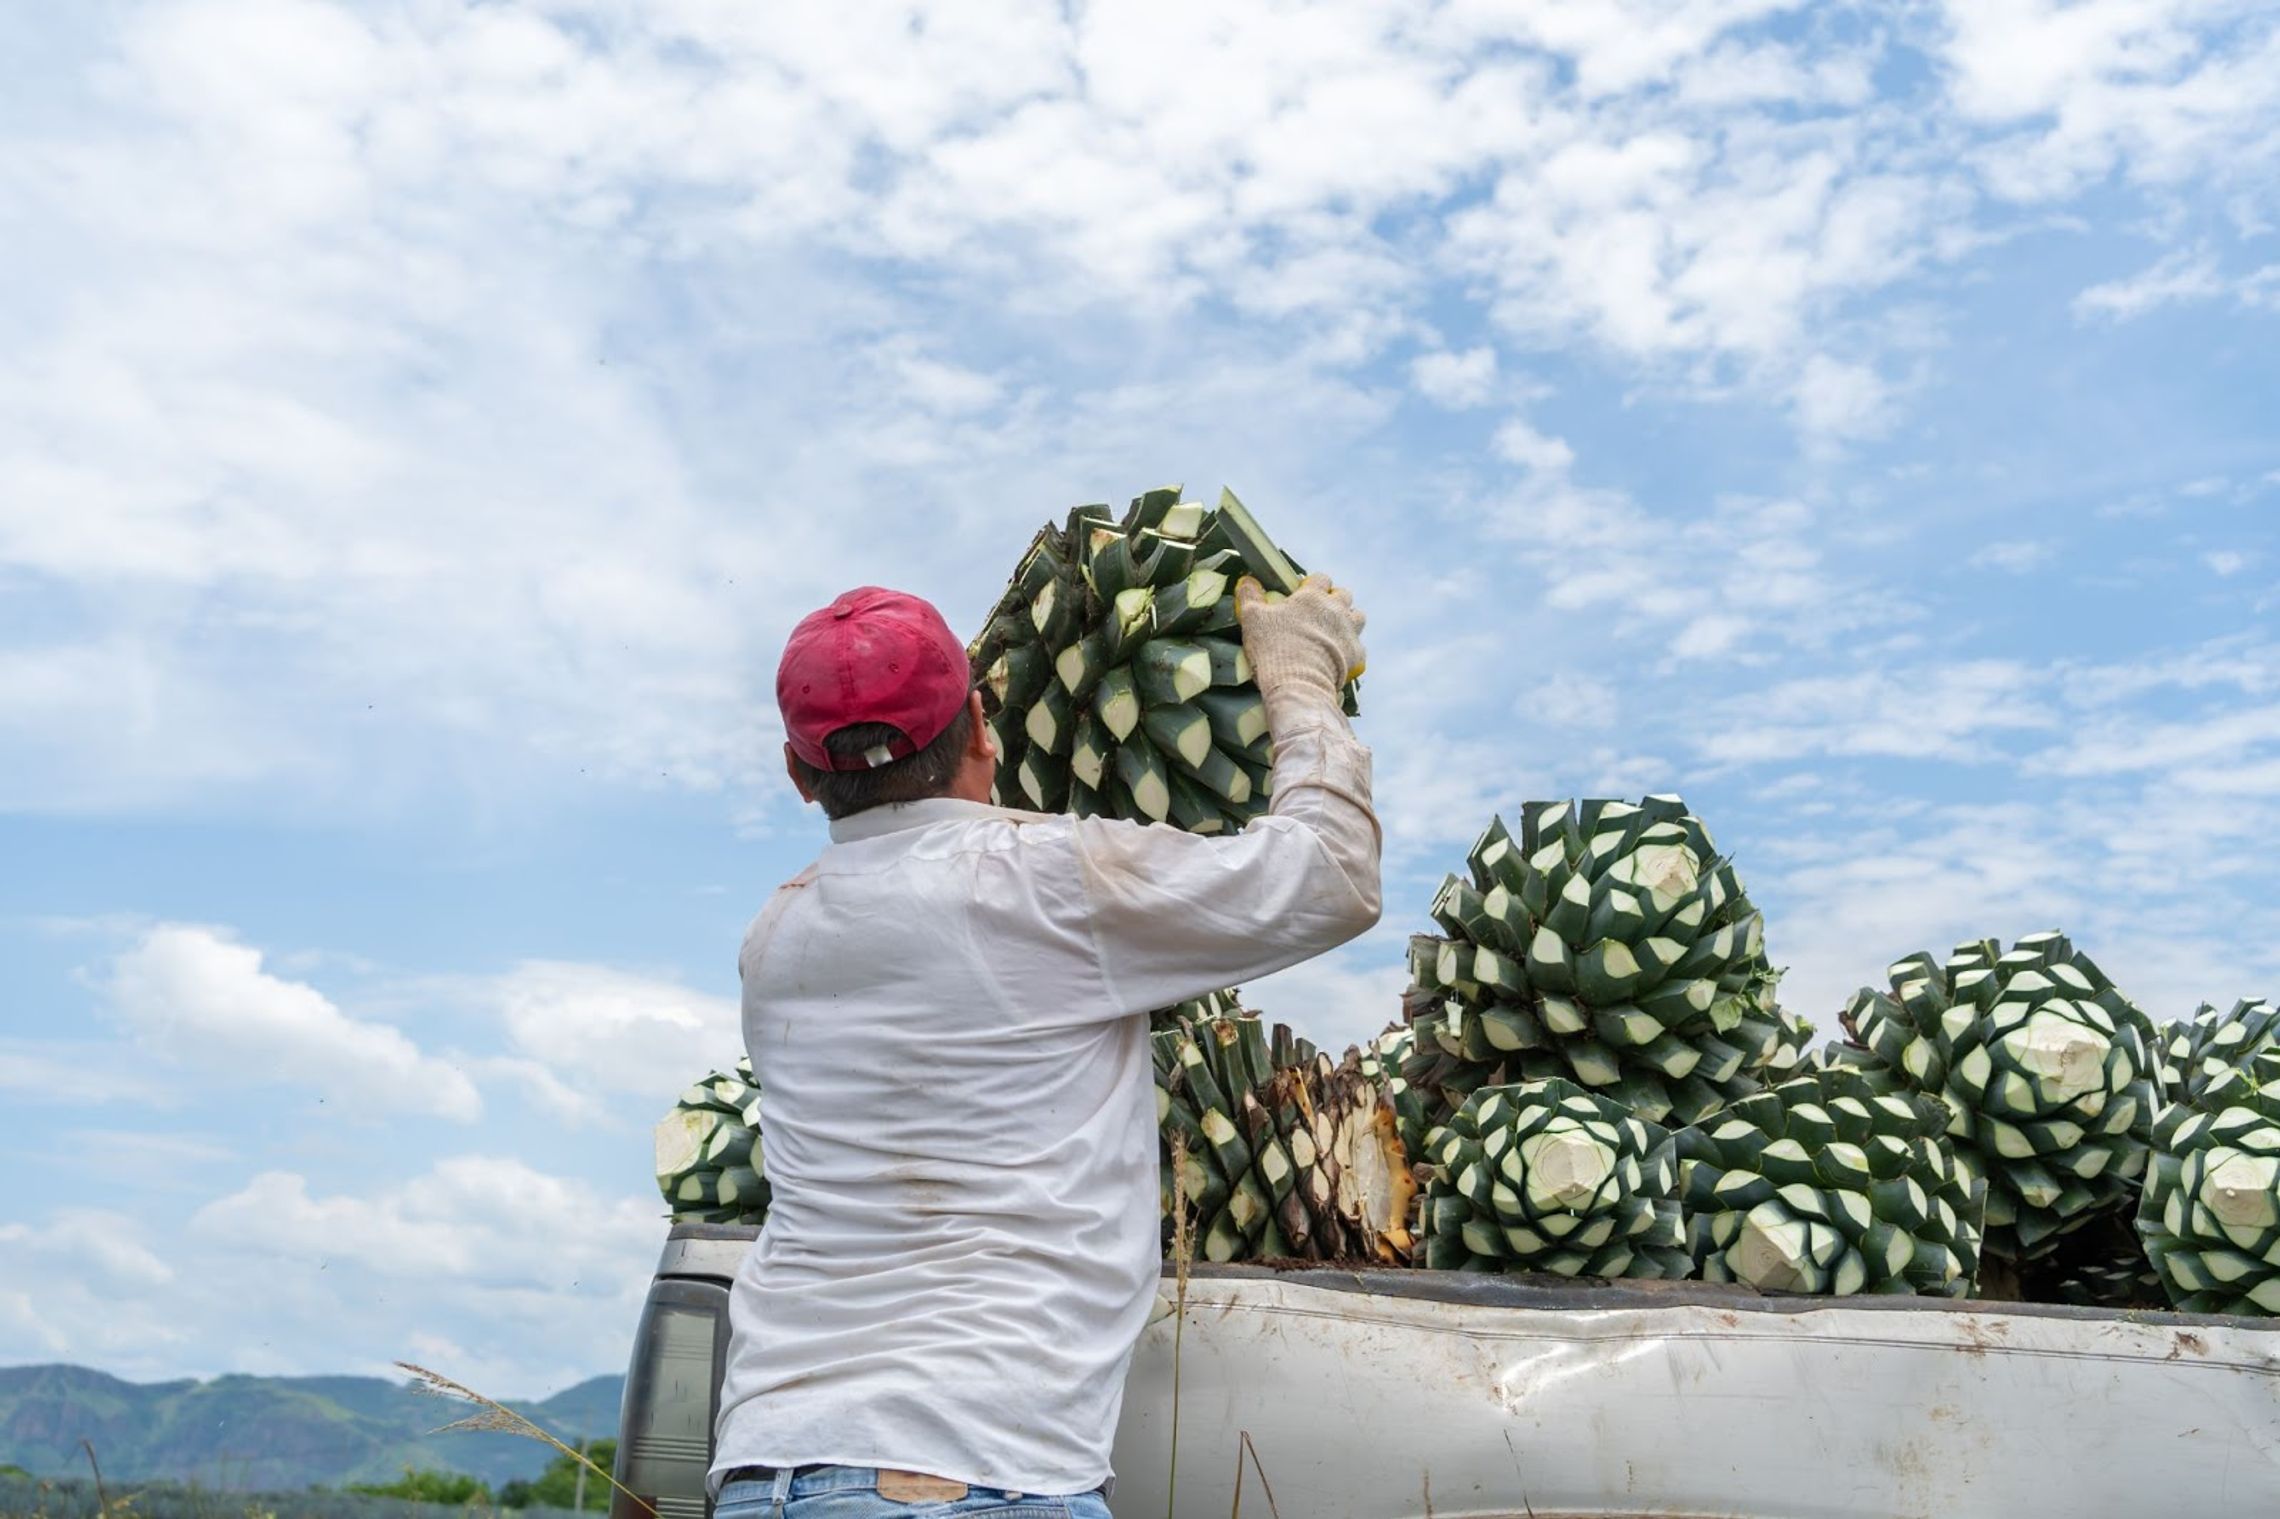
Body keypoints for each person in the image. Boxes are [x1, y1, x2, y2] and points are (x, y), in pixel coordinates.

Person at [711, 574, 1379, 1519]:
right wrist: (1301, 675)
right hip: (967, 1475)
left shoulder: (773, 940)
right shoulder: (1041, 882)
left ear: (797, 772)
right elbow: (1329, 876)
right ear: (981, 726)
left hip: (766, 1469)